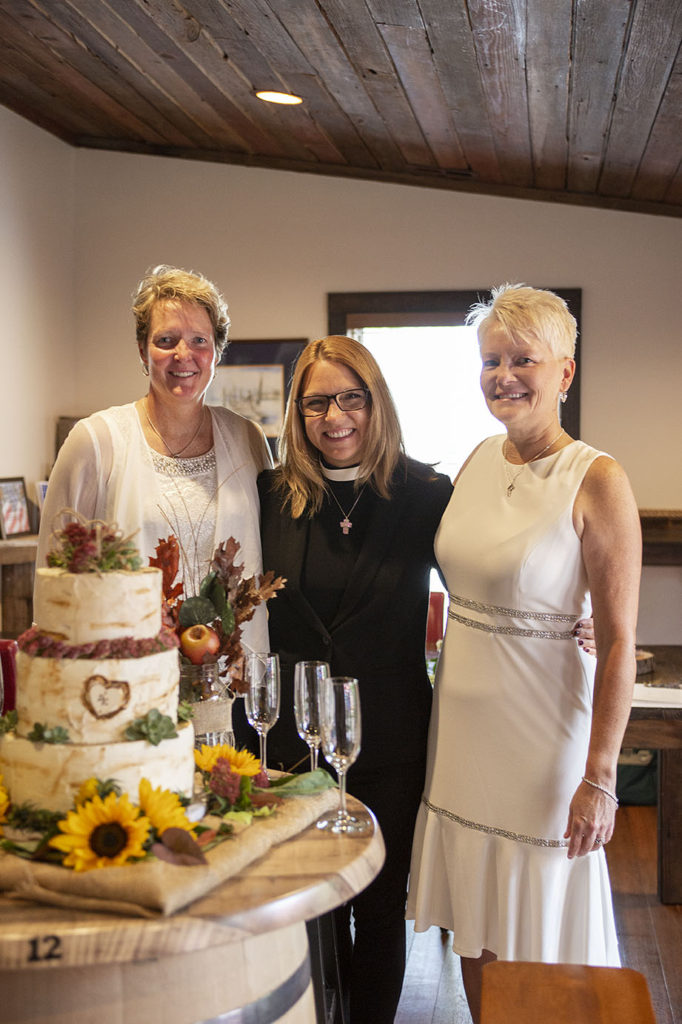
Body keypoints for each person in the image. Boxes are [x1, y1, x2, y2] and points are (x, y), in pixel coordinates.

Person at [406, 284, 641, 1024]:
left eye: (523, 360)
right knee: (474, 919)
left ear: (564, 374)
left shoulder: (597, 478)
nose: (503, 375)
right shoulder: (476, 457)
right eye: (490, 361)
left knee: (539, 925)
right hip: (464, 728)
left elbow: (622, 640)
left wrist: (600, 778)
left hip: (543, 735)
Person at [232, 334, 453, 1024]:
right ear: (298, 414)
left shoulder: (426, 493)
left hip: (387, 733)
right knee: (303, 904)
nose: (335, 417)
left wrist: (579, 614)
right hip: (287, 736)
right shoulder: (269, 495)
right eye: (317, 402)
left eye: (351, 397)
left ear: (375, 401)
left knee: (380, 906)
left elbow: (494, 575)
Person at [37, 264, 272, 654]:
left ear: (217, 351)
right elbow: (54, 579)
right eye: (166, 339)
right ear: (143, 351)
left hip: (233, 681)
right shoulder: (95, 442)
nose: (184, 355)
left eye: (199, 340)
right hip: (129, 680)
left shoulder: (247, 438)